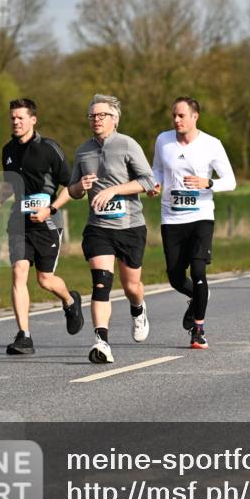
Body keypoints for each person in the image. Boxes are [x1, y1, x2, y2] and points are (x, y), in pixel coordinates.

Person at [0, 99, 84, 355]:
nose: (16, 122)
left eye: (21, 118)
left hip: (48, 223)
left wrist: (49, 209)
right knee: (19, 271)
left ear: (33, 120)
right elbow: (10, 183)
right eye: (13, 118)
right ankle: (25, 336)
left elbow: (72, 186)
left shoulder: (49, 148)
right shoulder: (8, 150)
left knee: (45, 280)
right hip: (18, 221)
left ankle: (70, 300)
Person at [68, 94, 156, 364]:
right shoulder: (83, 151)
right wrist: (80, 186)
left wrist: (114, 190)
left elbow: (148, 181)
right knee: (101, 283)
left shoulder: (127, 144)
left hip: (129, 226)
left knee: (131, 286)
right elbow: (72, 191)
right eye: (92, 116)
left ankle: (138, 308)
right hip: (99, 227)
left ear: (114, 119)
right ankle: (101, 341)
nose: (96, 120)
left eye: (101, 115)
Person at [150, 96, 236, 349]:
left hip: (201, 217)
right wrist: (154, 184)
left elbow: (230, 181)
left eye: (181, 116)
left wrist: (207, 183)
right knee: (176, 278)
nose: (176, 120)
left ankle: (198, 329)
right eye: (174, 116)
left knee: (198, 271)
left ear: (194, 116)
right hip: (171, 217)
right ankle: (198, 296)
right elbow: (157, 170)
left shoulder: (211, 144)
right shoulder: (163, 140)